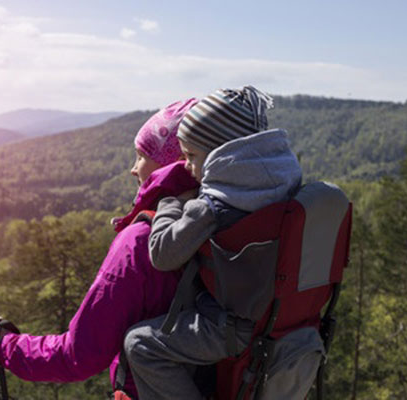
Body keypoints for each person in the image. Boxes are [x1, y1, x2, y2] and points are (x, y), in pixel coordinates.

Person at [0, 98, 199, 398]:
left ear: (170, 163)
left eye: (140, 156)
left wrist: (5, 347)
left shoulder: (140, 243)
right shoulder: (229, 221)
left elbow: (79, 355)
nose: (133, 169)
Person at [123, 86, 303, 400]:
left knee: (139, 344)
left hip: (229, 326)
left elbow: (163, 254)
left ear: (221, 152)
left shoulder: (216, 203)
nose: (188, 166)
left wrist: (170, 204)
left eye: (191, 155)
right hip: (276, 315)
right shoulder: (280, 184)